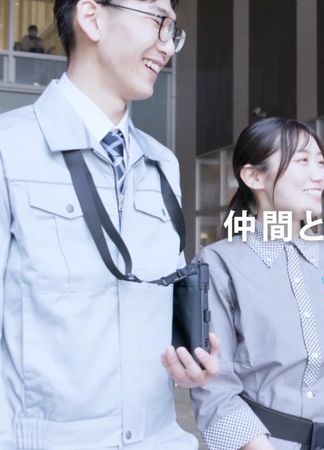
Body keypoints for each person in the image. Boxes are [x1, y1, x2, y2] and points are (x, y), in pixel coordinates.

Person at [0, 0, 219, 447]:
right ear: (91, 17)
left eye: (173, 31)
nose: (167, 46)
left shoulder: (162, 164)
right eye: (158, 21)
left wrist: (190, 364)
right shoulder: (9, 148)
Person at [190, 117, 324, 450]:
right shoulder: (218, 263)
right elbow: (214, 384)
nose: (319, 176)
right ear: (254, 176)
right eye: (302, 161)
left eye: (320, 163)